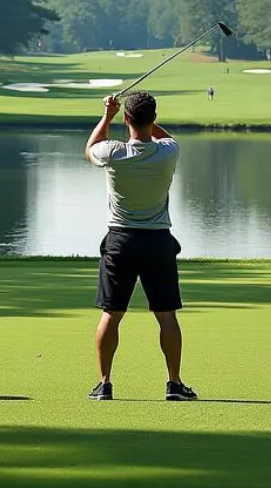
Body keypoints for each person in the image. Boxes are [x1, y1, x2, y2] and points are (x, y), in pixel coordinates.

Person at [84, 90, 196, 402]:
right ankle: (174, 384)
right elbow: (165, 136)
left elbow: (89, 148)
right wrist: (143, 121)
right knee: (166, 315)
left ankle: (104, 384)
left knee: (111, 314)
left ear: (126, 119)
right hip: (157, 241)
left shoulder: (113, 152)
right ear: (154, 119)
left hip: (121, 240)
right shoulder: (168, 151)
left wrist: (107, 114)